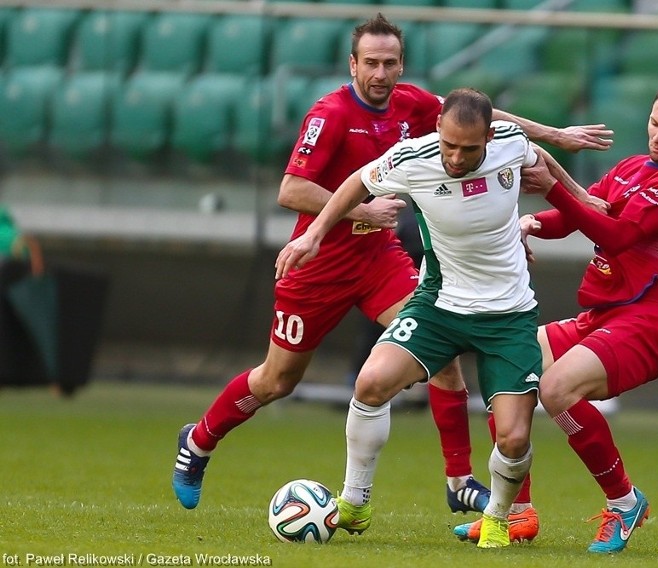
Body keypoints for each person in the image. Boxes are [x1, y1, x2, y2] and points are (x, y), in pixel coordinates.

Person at [171, 13, 613, 519]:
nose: (381, 73)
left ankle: (458, 480)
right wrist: (361, 212)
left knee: (441, 353)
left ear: (402, 64)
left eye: (390, 63)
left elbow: (488, 123)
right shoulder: (329, 114)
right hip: (321, 265)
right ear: (352, 64)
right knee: (277, 380)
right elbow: (290, 190)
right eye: (371, 63)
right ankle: (199, 440)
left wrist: (556, 135)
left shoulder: (415, 104)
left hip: (379, 259)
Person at [277, 87, 551, 548]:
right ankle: (354, 502)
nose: (457, 157)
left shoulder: (509, 143)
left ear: (488, 137)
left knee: (514, 438)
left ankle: (499, 518)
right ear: (438, 128)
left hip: (508, 314)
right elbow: (356, 183)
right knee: (371, 383)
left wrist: (579, 196)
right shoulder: (412, 156)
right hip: (439, 304)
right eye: (449, 145)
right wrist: (314, 236)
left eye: (469, 148)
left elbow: (543, 162)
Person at [456, 79, 658, 553]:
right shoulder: (634, 167)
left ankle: (624, 501)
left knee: (556, 391)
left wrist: (552, 188)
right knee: (507, 362)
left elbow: (617, 235)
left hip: (649, 319)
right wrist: (533, 221)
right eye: (654, 123)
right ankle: (516, 512)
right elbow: (582, 212)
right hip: (604, 315)